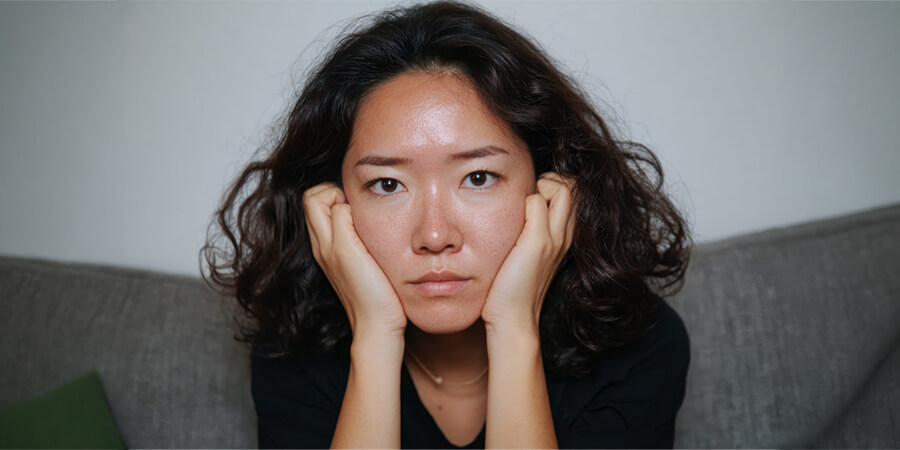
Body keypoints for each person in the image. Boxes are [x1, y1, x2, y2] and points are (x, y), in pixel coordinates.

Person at [202, 1, 692, 448]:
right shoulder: (292, 347)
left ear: (548, 188)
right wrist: (374, 340)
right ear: (333, 204)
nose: (435, 237)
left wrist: (514, 330)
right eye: (388, 185)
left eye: (478, 177)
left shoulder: (639, 346)